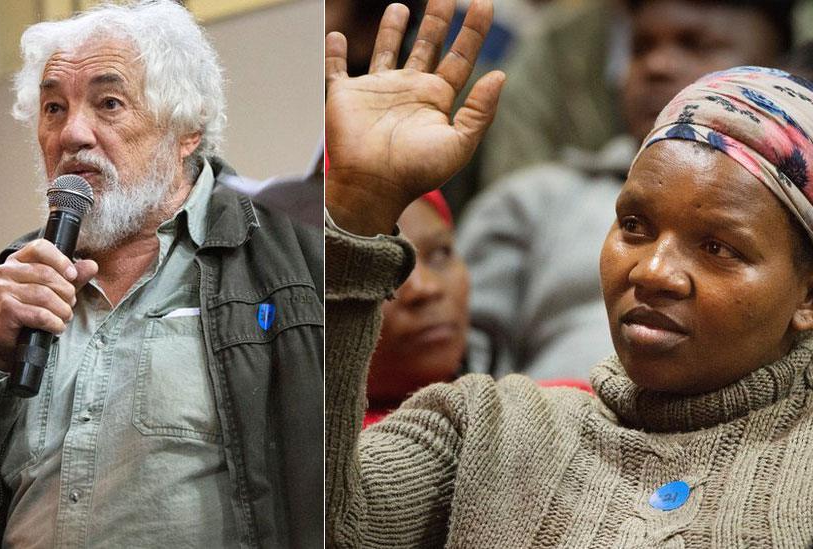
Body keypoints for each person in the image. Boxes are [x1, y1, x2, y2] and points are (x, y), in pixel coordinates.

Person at [326, 0, 813, 546]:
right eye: (633, 225)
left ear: (808, 294)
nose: (652, 271)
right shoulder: (487, 429)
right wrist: (356, 215)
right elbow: (321, 522)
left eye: (718, 247)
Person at [0, 2, 323, 547]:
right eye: (54, 108)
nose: (72, 134)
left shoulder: (286, 255)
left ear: (186, 129)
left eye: (108, 103)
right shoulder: (13, 285)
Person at [457, 0, 794, 382]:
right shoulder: (536, 199)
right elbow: (456, 355)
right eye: (641, 48)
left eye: (695, 45)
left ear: (778, 69)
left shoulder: (798, 219)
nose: (657, 66)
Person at [363, 191, 489, 426]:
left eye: (440, 253)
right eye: (381, 267)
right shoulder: (332, 454)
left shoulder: (554, 412)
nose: (425, 288)